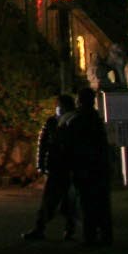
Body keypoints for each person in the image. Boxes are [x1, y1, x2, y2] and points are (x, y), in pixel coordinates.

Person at [22, 94, 78, 241]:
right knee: (50, 200)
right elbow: (43, 143)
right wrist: (40, 163)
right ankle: (40, 228)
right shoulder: (52, 122)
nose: (58, 108)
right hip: (57, 167)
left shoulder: (74, 121)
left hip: (70, 168)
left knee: (70, 202)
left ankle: (69, 229)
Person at [68, 87, 113, 246]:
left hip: (85, 168)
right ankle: (105, 234)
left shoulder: (78, 120)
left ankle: (90, 235)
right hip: (98, 167)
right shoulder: (96, 119)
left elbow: (72, 146)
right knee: (101, 203)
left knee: (87, 204)